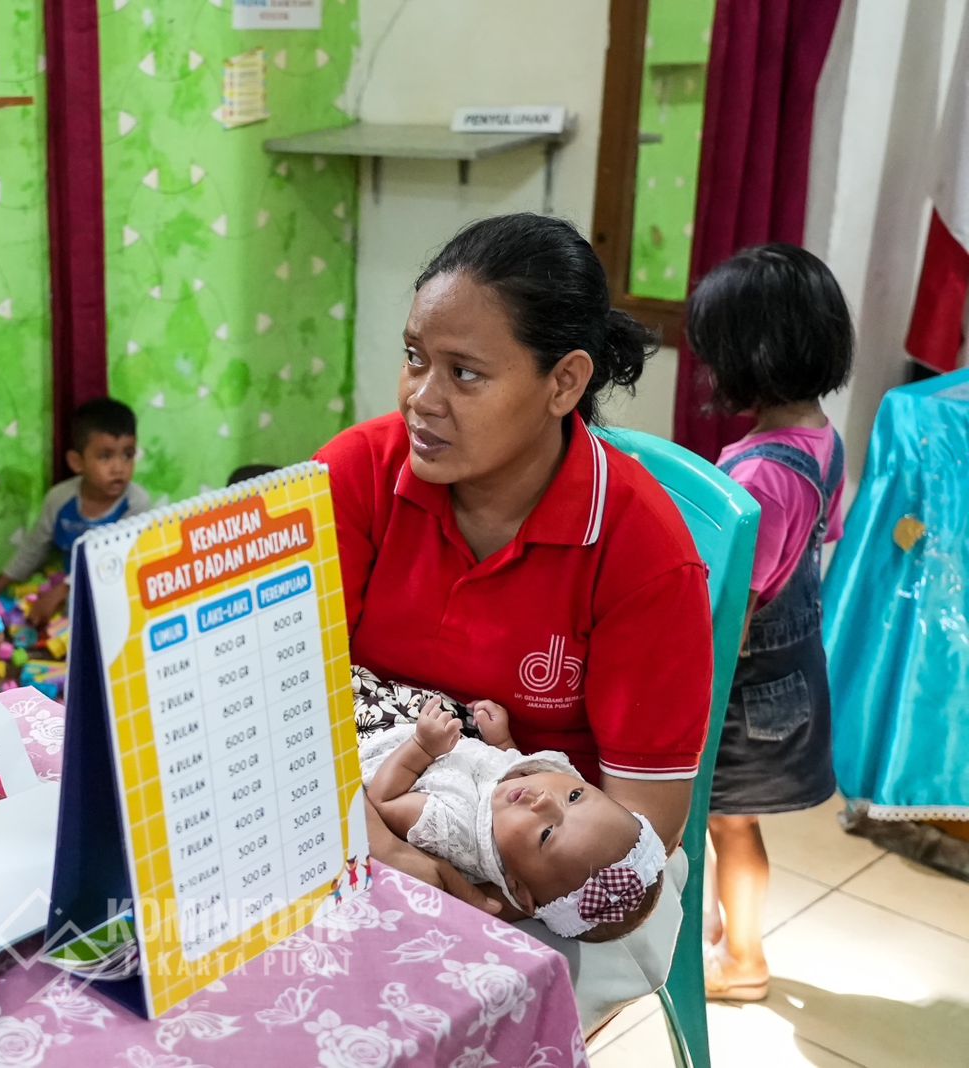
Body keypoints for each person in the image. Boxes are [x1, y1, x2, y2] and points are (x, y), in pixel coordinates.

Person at [317, 212, 713, 1026]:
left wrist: (483, 866)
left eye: (465, 373)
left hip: (551, 865)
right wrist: (378, 840)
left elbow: (640, 828)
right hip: (350, 795)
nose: (421, 399)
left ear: (564, 383)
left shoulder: (643, 550)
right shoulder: (357, 474)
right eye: (416, 358)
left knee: (454, 1010)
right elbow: (275, 697)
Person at [686, 244, 853, 1002]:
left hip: (750, 691)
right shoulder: (822, 438)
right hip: (791, 676)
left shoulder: (760, 472)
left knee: (730, 824)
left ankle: (743, 959)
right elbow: (820, 539)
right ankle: (724, 930)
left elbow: (736, 605)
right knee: (734, 823)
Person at [364, 699, 665, 943]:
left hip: (376, 737)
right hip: (427, 720)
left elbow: (383, 798)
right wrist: (502, 742)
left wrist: (421, 747)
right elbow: (507, 768)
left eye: (546, 834)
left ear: (518, 889)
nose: (545, 799)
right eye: (575, 796)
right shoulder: (520, 796)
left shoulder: (454, 830)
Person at [0, 398, 150, 623]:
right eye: (105, 456)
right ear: (76, 462)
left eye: (128, 455)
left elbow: (115, 561)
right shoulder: (59, 499)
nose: (119, 468)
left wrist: (63, 591)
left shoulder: (136, 504)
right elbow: (34, 548)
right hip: (67, 593)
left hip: (116, 597)